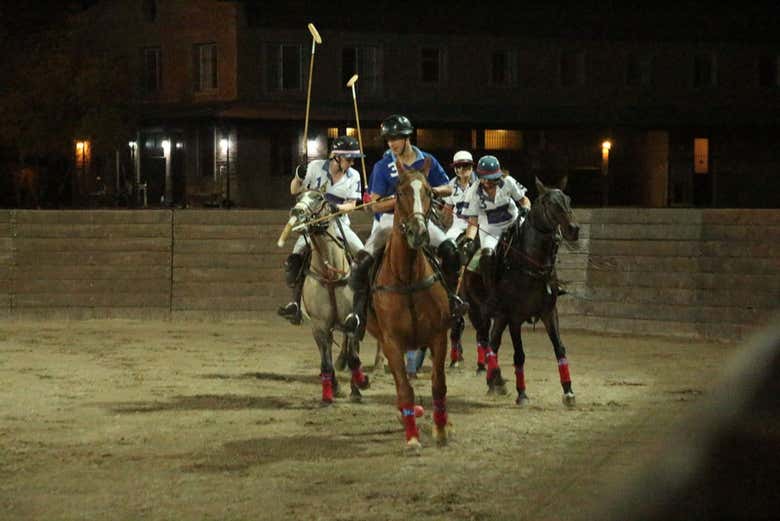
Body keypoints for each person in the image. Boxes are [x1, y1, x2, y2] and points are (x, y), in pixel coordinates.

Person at [343, 114, 467, 340]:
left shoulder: (426, 160)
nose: (391, 144)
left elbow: (448, 188)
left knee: (451, 250)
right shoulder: (383, 166)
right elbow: (376, 205)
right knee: (360, 263)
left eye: (396, 138)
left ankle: (451, 301)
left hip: (421, 218)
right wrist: (401, 198)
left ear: (407, 137)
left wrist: (427, 191)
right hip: (390, 222)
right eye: (388, 140)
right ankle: (358, 315)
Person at [277, 135, 365, 324]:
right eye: (348, 158)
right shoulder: (315, 167)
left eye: (353, 159)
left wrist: (337, 208)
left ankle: (360, 309)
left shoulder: (354, 176)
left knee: (362, 255)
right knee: (295, 259)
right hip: (312, 226)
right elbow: (294, 190)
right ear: (336, 157)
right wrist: (299, 176)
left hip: (338, 224)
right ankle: (295, 304)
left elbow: (351, 204)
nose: (351, 162)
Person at [459, 155, 531, 309]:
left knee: (534, 241)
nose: (488, 182)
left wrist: (525, 210)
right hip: (491, 229)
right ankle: (492, 294)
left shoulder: (508, 182)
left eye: (492, 178)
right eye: (485, 178)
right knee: (486, 254)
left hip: (515, 220)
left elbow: (524, 200)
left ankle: (550, 282)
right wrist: (469, 240)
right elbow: (473, 221)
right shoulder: (473, 192)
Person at [442, 150, 478, 242]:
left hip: (479, 226)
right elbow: (447, 208)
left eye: (465, 165)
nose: (461, 169)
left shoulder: (481, 183)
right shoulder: (451, 185)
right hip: (457, 227)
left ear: (471, 166)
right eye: (458, 166)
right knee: (446, 245)